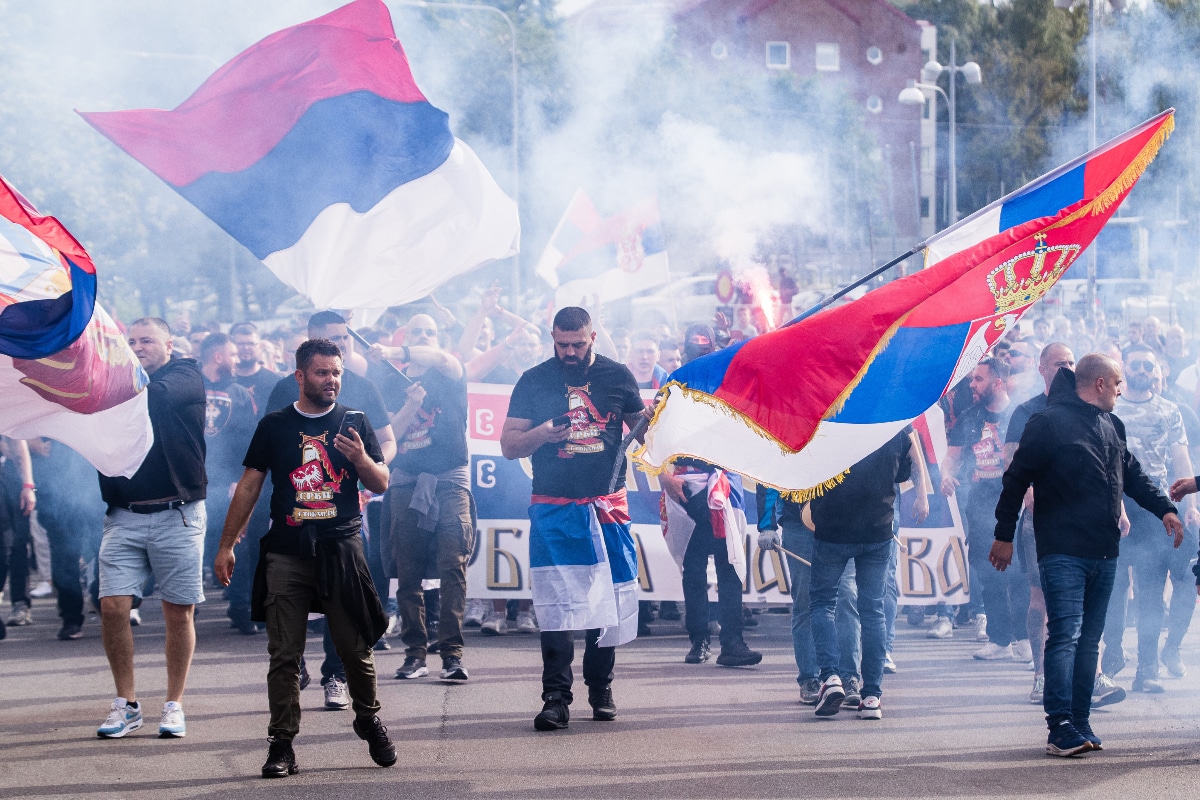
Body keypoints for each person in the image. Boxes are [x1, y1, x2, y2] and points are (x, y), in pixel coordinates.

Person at [213, 338, 395, 778]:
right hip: (288, 551)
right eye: (321, 373)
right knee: (284, 655)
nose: (331, 380)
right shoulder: (274, 425)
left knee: (355, 650)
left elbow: (382, 482)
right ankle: (282, 745)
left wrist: (361, 460)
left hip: (342, 548)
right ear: (300, 376)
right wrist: (227, 543)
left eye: (336, 373)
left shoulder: (354, 422)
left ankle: (368, 719)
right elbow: (250, 485)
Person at [992, 354, 1184, 757]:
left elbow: (1132, 474)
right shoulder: (1046, 423)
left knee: (1089, 641)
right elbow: (1015, 480)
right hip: (1061, 549)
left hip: (1105, 550)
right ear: (1098, 383)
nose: (1121, 389)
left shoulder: (1113, 424)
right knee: (1064, 634)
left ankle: (1080, 721)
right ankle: (1058, 725)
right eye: (1116, 383)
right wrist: (1003, 536)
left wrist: (1164, 507)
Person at [500, 307, 646, 731]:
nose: (569, 351)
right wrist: (543, 433)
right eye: (562, 344)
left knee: (609, 602)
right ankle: (556, 698)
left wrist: (652, 420)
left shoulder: (617, 376)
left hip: (607, 506)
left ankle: (600, 688)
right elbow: (509, 446)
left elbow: (641, 432)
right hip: (554, 505)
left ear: (593, 337)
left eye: (578, 344)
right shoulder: (534, 379)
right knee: (557, 606)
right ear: (552, 337)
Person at [265, 311, 396, 710]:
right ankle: (295, 661)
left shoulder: (362, 388)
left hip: (346, 512)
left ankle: (336, 675)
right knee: (293, 591)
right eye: (332, 338)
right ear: (309, 346)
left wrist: (364, 470)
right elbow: (267, 450)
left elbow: (387, 445)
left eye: (345, 337)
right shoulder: (283, 390)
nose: (342, 344)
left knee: (341, 593)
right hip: (295, 511)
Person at [94, 318, 207, 740]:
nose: (137, 346)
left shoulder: (185, 375)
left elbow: (153, 398)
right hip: (123, 514)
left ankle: (173, 704)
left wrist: (100, 377)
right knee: (112, 608)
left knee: (178, 612)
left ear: (169, 345)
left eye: (146, 340)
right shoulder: (117, 379)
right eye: (132, 341)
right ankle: (126, 704)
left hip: (177, 514)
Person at [767, 430, 913, 719]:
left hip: (833, 533)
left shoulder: (826, 426)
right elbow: (902, 473)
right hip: (876, 531)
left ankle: (832, 677)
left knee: (822, 603)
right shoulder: (893, 425)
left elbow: (801, 471)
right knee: (872, 612)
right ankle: (871, 697)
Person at [370, 314, 475, 683]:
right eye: (418, 332)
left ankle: (452, 654)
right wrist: (411, 406)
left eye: (431, 333)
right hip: (406, 481)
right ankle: (414, 654)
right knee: (408, 570)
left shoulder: (448, 371)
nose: (426, 338)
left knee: (453, 564)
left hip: (450, 479)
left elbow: (446, 360)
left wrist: (393, 350)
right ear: (406, 337)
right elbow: (387, 442)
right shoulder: (387, 381)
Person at [1101, 344, 1198, 693]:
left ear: (1156, 371)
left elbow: (1181, 457)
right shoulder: (1111, 409)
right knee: (1112, 586)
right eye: (1136, 365)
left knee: (1152, 592)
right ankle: (1113, 653)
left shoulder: (1170, 410)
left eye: (1148, 366)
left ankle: (1148, 668)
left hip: (1154, 506)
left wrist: (1190, 504)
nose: (1142, 371)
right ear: (1124, 370)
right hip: (1114, 502)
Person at [1002, 342, 1076, 706]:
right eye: (1060, 363)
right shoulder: (1026, 411)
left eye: (1072, 362)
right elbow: (1012, 463)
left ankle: (1084, 674)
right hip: (1039, 520)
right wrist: (1029, 493)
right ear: (1042, 369)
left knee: (1081, 599)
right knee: (1040, 597)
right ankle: (1040, 673)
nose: (1067, 368)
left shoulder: (1084, 408)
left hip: (1080, 519)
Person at [941, 358, 1029, 660]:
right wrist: (946, 475)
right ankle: (1000, 639)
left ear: (997, 382)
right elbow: (951, 458)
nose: (972, 385)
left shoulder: (1021, 414)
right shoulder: (969, 417)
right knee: (989, 572)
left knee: (1020, 572)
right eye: (972, 380)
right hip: (980, 504)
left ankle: (1025, 638)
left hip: (1017, 502)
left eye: (978, 380)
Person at [198, 332, 259, 632]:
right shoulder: (190, 386)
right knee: (193, 543)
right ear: (218, 356)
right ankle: (188, 604)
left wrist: (240, 479)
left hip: (229, 483)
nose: (237, 360)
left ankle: (240, 605)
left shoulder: (240, 394)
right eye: (233, 355)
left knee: (237, 543)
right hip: (193, 482)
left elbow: (248, 441)